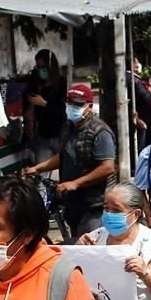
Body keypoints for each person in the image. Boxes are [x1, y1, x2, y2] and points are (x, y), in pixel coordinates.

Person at [23, 83, 116, 239]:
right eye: (70, 103)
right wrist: (38, 168)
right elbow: (64, 156)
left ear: (90, 107)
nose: (72, 107)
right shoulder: (68, 126)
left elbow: (107, 167)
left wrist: (76, 183)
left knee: (88, 248)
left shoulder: (100, 131)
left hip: (95, 205)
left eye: (78, 104)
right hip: (73, 202)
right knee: (75, 246)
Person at [23, 49, 67, 165]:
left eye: (44, 68)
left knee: (66, 167)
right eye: (38, 68)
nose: (41, 71)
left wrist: (44, 104)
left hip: (59, 133)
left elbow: (63, 112)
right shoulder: (36, 82)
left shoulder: (61, 83)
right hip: (42, 134)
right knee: (41, 170)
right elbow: (27, 107)